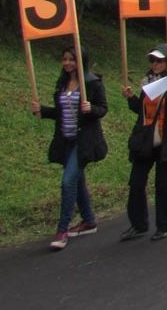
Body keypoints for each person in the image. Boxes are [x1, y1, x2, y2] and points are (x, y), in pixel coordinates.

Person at [31, 46, 108, 251]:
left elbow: (103, 109)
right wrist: (42, 111)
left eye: (71, 59)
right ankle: (89, 220)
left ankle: (62, 229)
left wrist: (91, 109)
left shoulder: (92, 83)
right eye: (64, 59)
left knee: (67, 182)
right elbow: (60, 112)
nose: (66, 63)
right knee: (77, 180)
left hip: (83, 142)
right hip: (65, 140)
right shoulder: (63, 83)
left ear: (80, 61)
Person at [121, 44, 167, 241]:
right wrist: (132, 98)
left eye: (159, 60)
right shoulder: (147, 82)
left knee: (162, 185)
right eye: (152, 60)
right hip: (146, 140)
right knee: (136, 182)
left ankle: (165, 225)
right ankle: (138, 224)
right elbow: (141, 110)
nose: (155, 64)